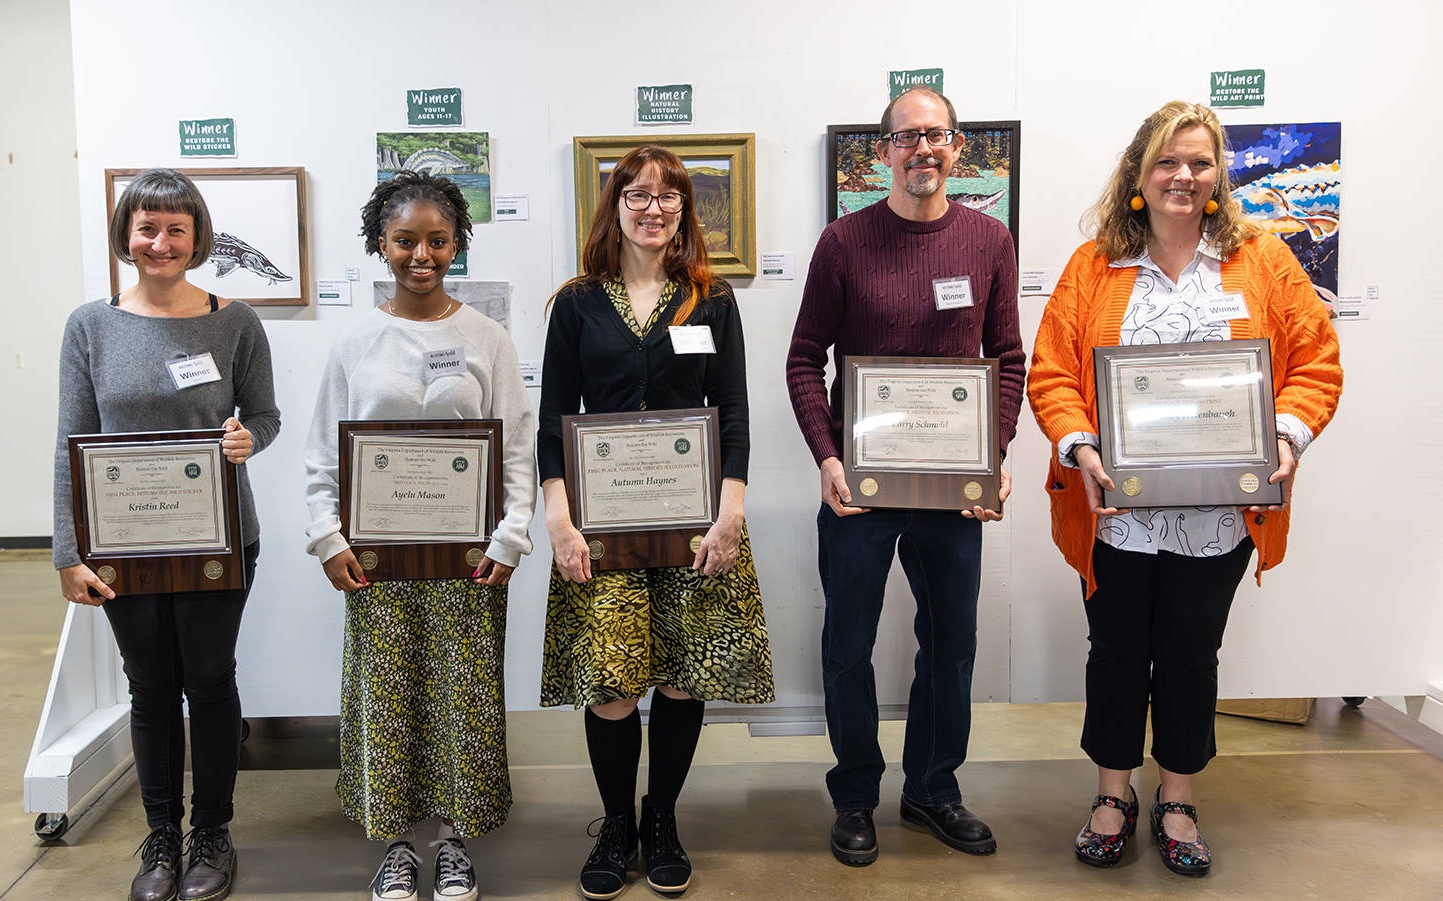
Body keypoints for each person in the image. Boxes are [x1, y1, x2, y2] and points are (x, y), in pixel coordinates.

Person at [1027, 100, 1342, 876]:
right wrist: (1081, 443)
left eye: (1200, 162)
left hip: (1220, 519)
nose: (1184, 176)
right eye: (1169, 161)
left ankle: (1176, 798)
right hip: (1119, 516)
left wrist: (1286, 432)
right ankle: (1112, 794)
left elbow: (1318, 359)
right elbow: (1053, 371)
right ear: (1140, 172)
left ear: (1218, 176)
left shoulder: (1263, 259)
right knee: (1117, 655)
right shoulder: (1094, 264)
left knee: (1191, 658)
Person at [786, 86, 1023, 866]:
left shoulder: (989, 239)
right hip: (862, 486)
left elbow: (1008, 359)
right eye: (907, 136)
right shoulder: (845, 242)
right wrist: (827, 455)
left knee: (951, 641)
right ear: (882, 151)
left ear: (958, 149)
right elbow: (802, 359)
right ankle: (855, 794)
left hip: (954, 489)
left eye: (939, 136)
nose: (924, 149)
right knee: (847, 642)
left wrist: (994, 454)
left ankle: (932, 787)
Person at [538, 145, 774, 899]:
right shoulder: (577, 302)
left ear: (684, 210)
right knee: (610, 682)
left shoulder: (711, 297)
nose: (652, 207)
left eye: (667, 196)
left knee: (681, 676)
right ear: (615, 207)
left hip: (694, 522)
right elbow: (553, 420)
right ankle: (615, 823)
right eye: (636, 195)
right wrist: (558, 518)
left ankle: (662, 817)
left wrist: (732, 507)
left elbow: (733, 409)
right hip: (601, 526)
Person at [304, 170, 535, 901]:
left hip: (468, 561)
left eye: (438, 240)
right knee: (387, 696)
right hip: (378, 562)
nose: (421, 254)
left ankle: (456, 843)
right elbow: (321, 454)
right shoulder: (356, 342)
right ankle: (399, 845)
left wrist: (510, 537)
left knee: (464, 696)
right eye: (406, 240)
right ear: (382, 242)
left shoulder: (486, 338)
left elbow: (518, 449)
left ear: (456, 244)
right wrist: (327, 537)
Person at [52, 167, 279, 901]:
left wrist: (249, 439)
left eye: (175, 228)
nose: (161, 241)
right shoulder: (90, 325)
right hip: (123, 545)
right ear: (126, 234)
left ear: (198, 236)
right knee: (149, 688)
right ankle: (160, 837)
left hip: (217, 538)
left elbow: (264, 415)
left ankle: (212, 831)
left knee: (210, 682)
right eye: (147, 227)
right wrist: (66, 551)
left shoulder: (235, 321)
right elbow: (71, 441)